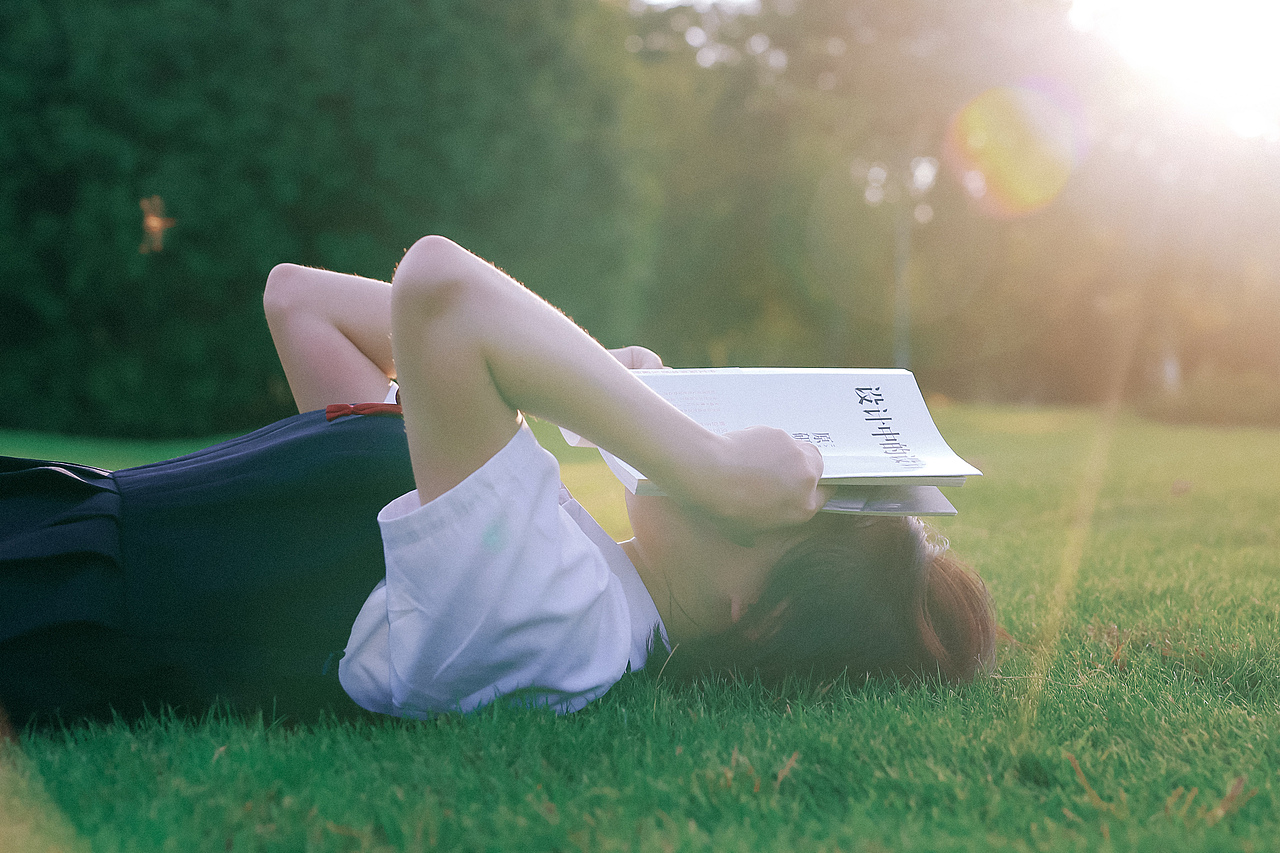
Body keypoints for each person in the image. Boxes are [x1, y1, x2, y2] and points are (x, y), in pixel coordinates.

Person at [0, 236, 995, 727]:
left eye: (774, 505)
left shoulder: (564, 625)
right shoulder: (549, 543)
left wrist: (705, 461)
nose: (738, 462)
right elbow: (302, 304)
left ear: (755, 613)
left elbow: (440, 285)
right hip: (41, 526)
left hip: (40, 603)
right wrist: (585, 379)